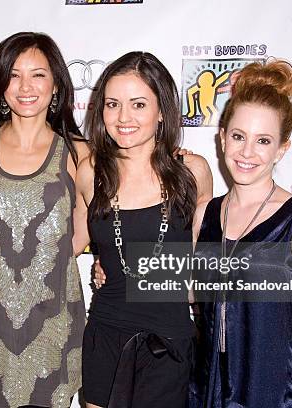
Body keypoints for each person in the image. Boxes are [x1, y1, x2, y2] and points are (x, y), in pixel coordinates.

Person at [189, 60, 292, 407]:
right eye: (238, 136)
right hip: (204, 389)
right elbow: (194, 296)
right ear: (222, 136)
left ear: (281, 148)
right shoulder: (205, 215)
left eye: (263, 141)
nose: (247, 152)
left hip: (269, 391)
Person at [0, 32, 89, 408]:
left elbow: (102, 219)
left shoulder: (79, 152)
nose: (25, 87)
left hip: (51, 323)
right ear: (0, 84)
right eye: (14, 75)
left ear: (57, 83)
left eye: (38, 75)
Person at [73, 51, 213, 408]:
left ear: (162, 110)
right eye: (112, 104)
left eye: (138, 104)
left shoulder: (192, 172)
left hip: (168, 342)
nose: (123, 118)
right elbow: (71, 243)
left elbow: (204, 265)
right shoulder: (90, 171)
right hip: (105, 334)